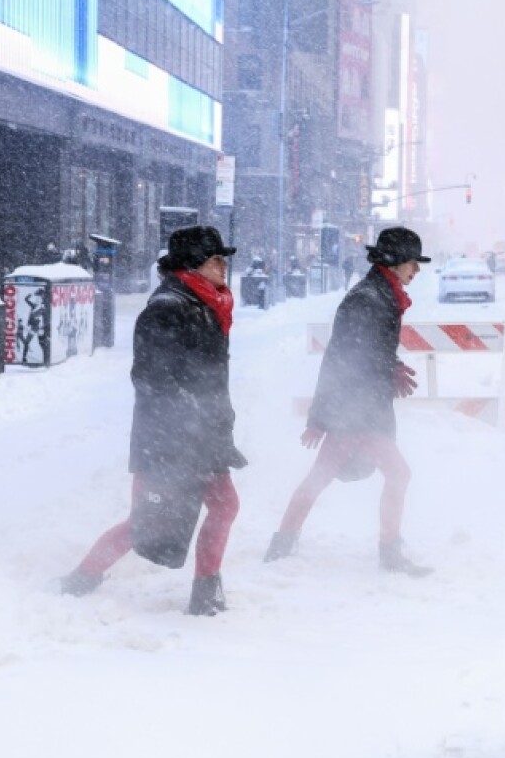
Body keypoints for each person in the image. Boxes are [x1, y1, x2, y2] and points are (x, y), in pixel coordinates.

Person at [60, 225, 248, 615]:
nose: (223, 266)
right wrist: (193, 422)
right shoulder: (168, 308)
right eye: (216, 259)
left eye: (223, 259)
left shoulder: (206, 304)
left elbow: (207, 377)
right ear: (193, 264)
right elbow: (151, 379)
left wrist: (216, 426)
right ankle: (80, 579)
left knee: (224, 505)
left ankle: (205, 592)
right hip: (170, 440)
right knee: (145, 525)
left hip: (204, 436)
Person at [264, 226, 432, 577]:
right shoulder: (368, 298)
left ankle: (282, 542)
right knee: (397, 474)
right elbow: (343, 357)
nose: (416, 270)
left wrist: (392, 367)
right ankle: (389, 552)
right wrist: (320, 417)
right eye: (413, 263)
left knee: (322, 477)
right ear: (396, 261)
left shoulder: (381, 294)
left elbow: (369, 352)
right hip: (357, 408)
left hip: (359, 405)